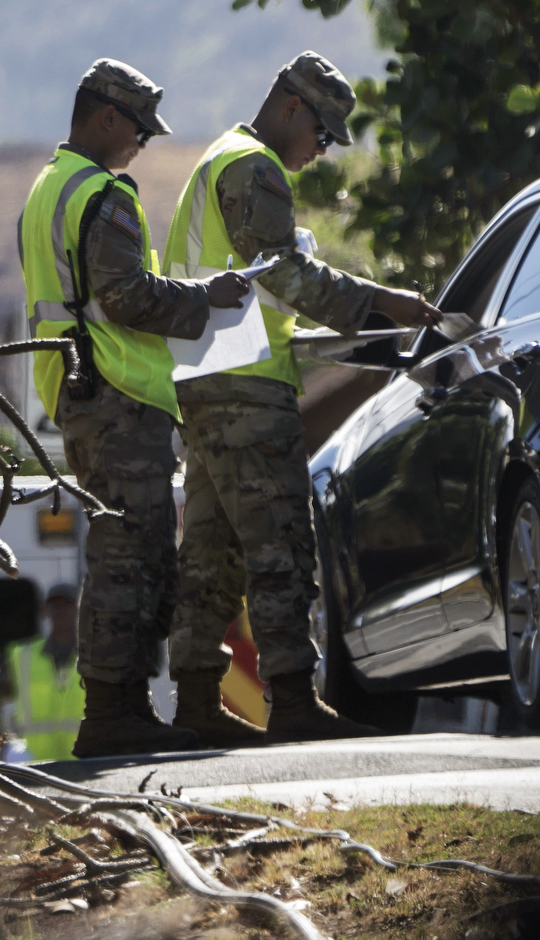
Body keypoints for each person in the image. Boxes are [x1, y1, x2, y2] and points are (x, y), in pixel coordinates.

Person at [164, 52, 443, 743]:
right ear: (292, 106)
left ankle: (198, 705)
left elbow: (261, 289)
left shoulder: (220, 160)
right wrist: (382, 305)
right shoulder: (252, 167)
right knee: (280, 541)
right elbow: (284, 272)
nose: (320, 153)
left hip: (207, 381)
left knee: (212, 550)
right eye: (321, 134)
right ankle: (291, 700)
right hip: (245, 390)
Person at [18, 59, 252, 758]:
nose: (144, 143)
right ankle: (114, 709)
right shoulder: (103, 193)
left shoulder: (47, 188)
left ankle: (122, 707)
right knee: (133, 553)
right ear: (106, 118)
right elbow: (127, 298)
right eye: (140, 128)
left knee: (127, 548)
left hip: (78, 388)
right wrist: (207, 299)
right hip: (117, 390)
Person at [8, 582, 87, 761]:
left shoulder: (97, 654)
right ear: (45, 610)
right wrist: (3, 745)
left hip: (85, 764)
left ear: (80, 609)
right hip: (36, 766)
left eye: (67, 605)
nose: (60, 610)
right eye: (54, 605)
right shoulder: (24, 655)